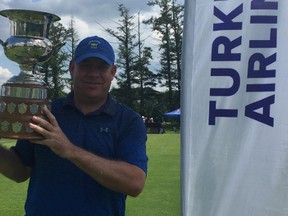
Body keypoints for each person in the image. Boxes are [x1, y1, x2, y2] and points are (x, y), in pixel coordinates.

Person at [0, 35, 148, 216]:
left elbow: (134, 183)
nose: (93, 74)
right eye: (86, 65)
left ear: (113, 72)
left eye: (101, 67)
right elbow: (20, 172)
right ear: (72, 68)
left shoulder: (128, 121)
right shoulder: (45, 112)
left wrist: (68, 150)